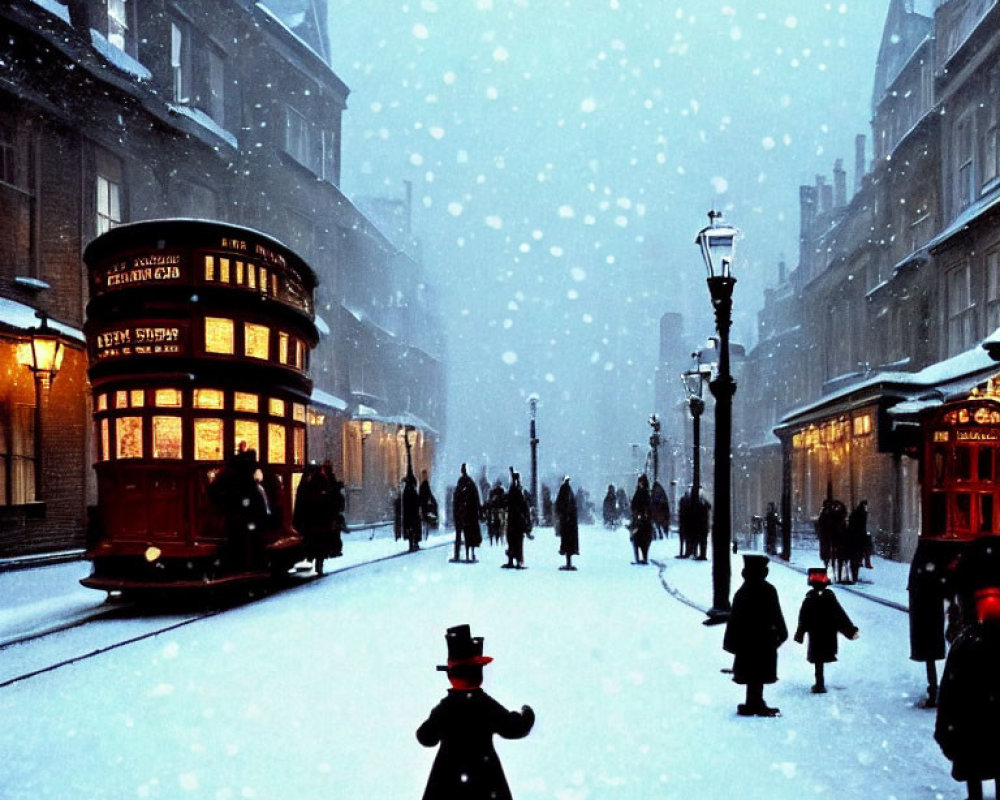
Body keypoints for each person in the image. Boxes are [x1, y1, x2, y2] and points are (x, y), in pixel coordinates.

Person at [416, 624, 535, 800]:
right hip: (485, 779)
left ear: (451, 676)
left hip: (446, 781)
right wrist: (526, 714)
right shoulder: (485, 705)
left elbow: (425, 737)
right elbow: (514, 728)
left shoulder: (446, 709)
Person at [934, 537, 1000, 800]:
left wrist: (945, 728)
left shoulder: (966, 645)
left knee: (973, 759)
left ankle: (975, 796)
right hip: (990, 721)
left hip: (972, 722)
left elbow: (951, 690)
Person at [723, 553, 788, 717]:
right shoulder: (768, 590)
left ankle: (752, 702)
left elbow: (734, 619)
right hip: (764, 640)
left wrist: (731, 642)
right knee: (759, 673)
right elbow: (776, 614)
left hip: (746, 641)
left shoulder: (742, 592)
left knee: (751, 673)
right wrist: (781, 633)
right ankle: (755, 703)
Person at [793, 567, 860, 693]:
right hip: (827, 632)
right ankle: (819, 683)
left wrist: (800, 633)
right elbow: (840, 615)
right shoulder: (829, 597)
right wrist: (850, 631)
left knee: (818, 659)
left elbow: (804, 618)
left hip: (816, 633)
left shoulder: (810, 598)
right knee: (821, 658)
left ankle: (819, 683)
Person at [452, 463, 483, 563]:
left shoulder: (462, 484)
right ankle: (469, 554)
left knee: (461, 534)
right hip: (468, 514)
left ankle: (458, 554)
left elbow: (456, 499)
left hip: (462, 514)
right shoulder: (471, 484)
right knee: (468, 534)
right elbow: (476, 500)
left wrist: (457, 511)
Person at [502, 470, 530, 569]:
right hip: (516, 520)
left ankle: (514, 561)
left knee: (513, 541)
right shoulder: (518, 490)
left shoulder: (515, 491)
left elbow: (510, 502)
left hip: (514, 520)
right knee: (515, 541)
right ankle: (516, 561)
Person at [554, 476, 579, 570]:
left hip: (567, 521)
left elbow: (560, 505)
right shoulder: (568, 491)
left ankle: (568, 563)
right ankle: (568, 562)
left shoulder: (565, 490)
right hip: (569, 521)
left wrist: (563, 515)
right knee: (569, 542)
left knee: (567, 542)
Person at [629, 474, 653, 564]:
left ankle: (645, 557)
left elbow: (648, 506)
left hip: (645, 521)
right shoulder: (638, 492)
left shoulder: (646, 493)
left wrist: (645, 514)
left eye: (641, 482)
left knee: (644, 541)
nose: (640, 484)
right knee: (635, 538)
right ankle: (637, 558)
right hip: (637, 519)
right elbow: (634, 504)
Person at [846, 500, 868, 583]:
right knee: (856, 558)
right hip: (857, 540)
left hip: (855, 540)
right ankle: (854, 575)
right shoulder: (861, 515)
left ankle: (854, 574)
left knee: (855, 559)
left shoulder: (857, 514)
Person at [402, 472, 422, 552]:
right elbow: (417, 502)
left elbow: (405, 503)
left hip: (408, 514)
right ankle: (415, 543)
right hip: (414, 514)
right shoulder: (413, 492)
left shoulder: (406, 492)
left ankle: (411, 544)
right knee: (414, 529)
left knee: (410, 529)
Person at [419, 469, 440, 540]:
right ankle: (425, 534)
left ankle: (425, 534)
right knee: (425, 520)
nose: (424, 476)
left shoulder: (424, 484)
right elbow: (429, 494)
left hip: (424, 504)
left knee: (425, 520)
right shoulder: (425, 484)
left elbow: (428, 494)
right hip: (424, 504)